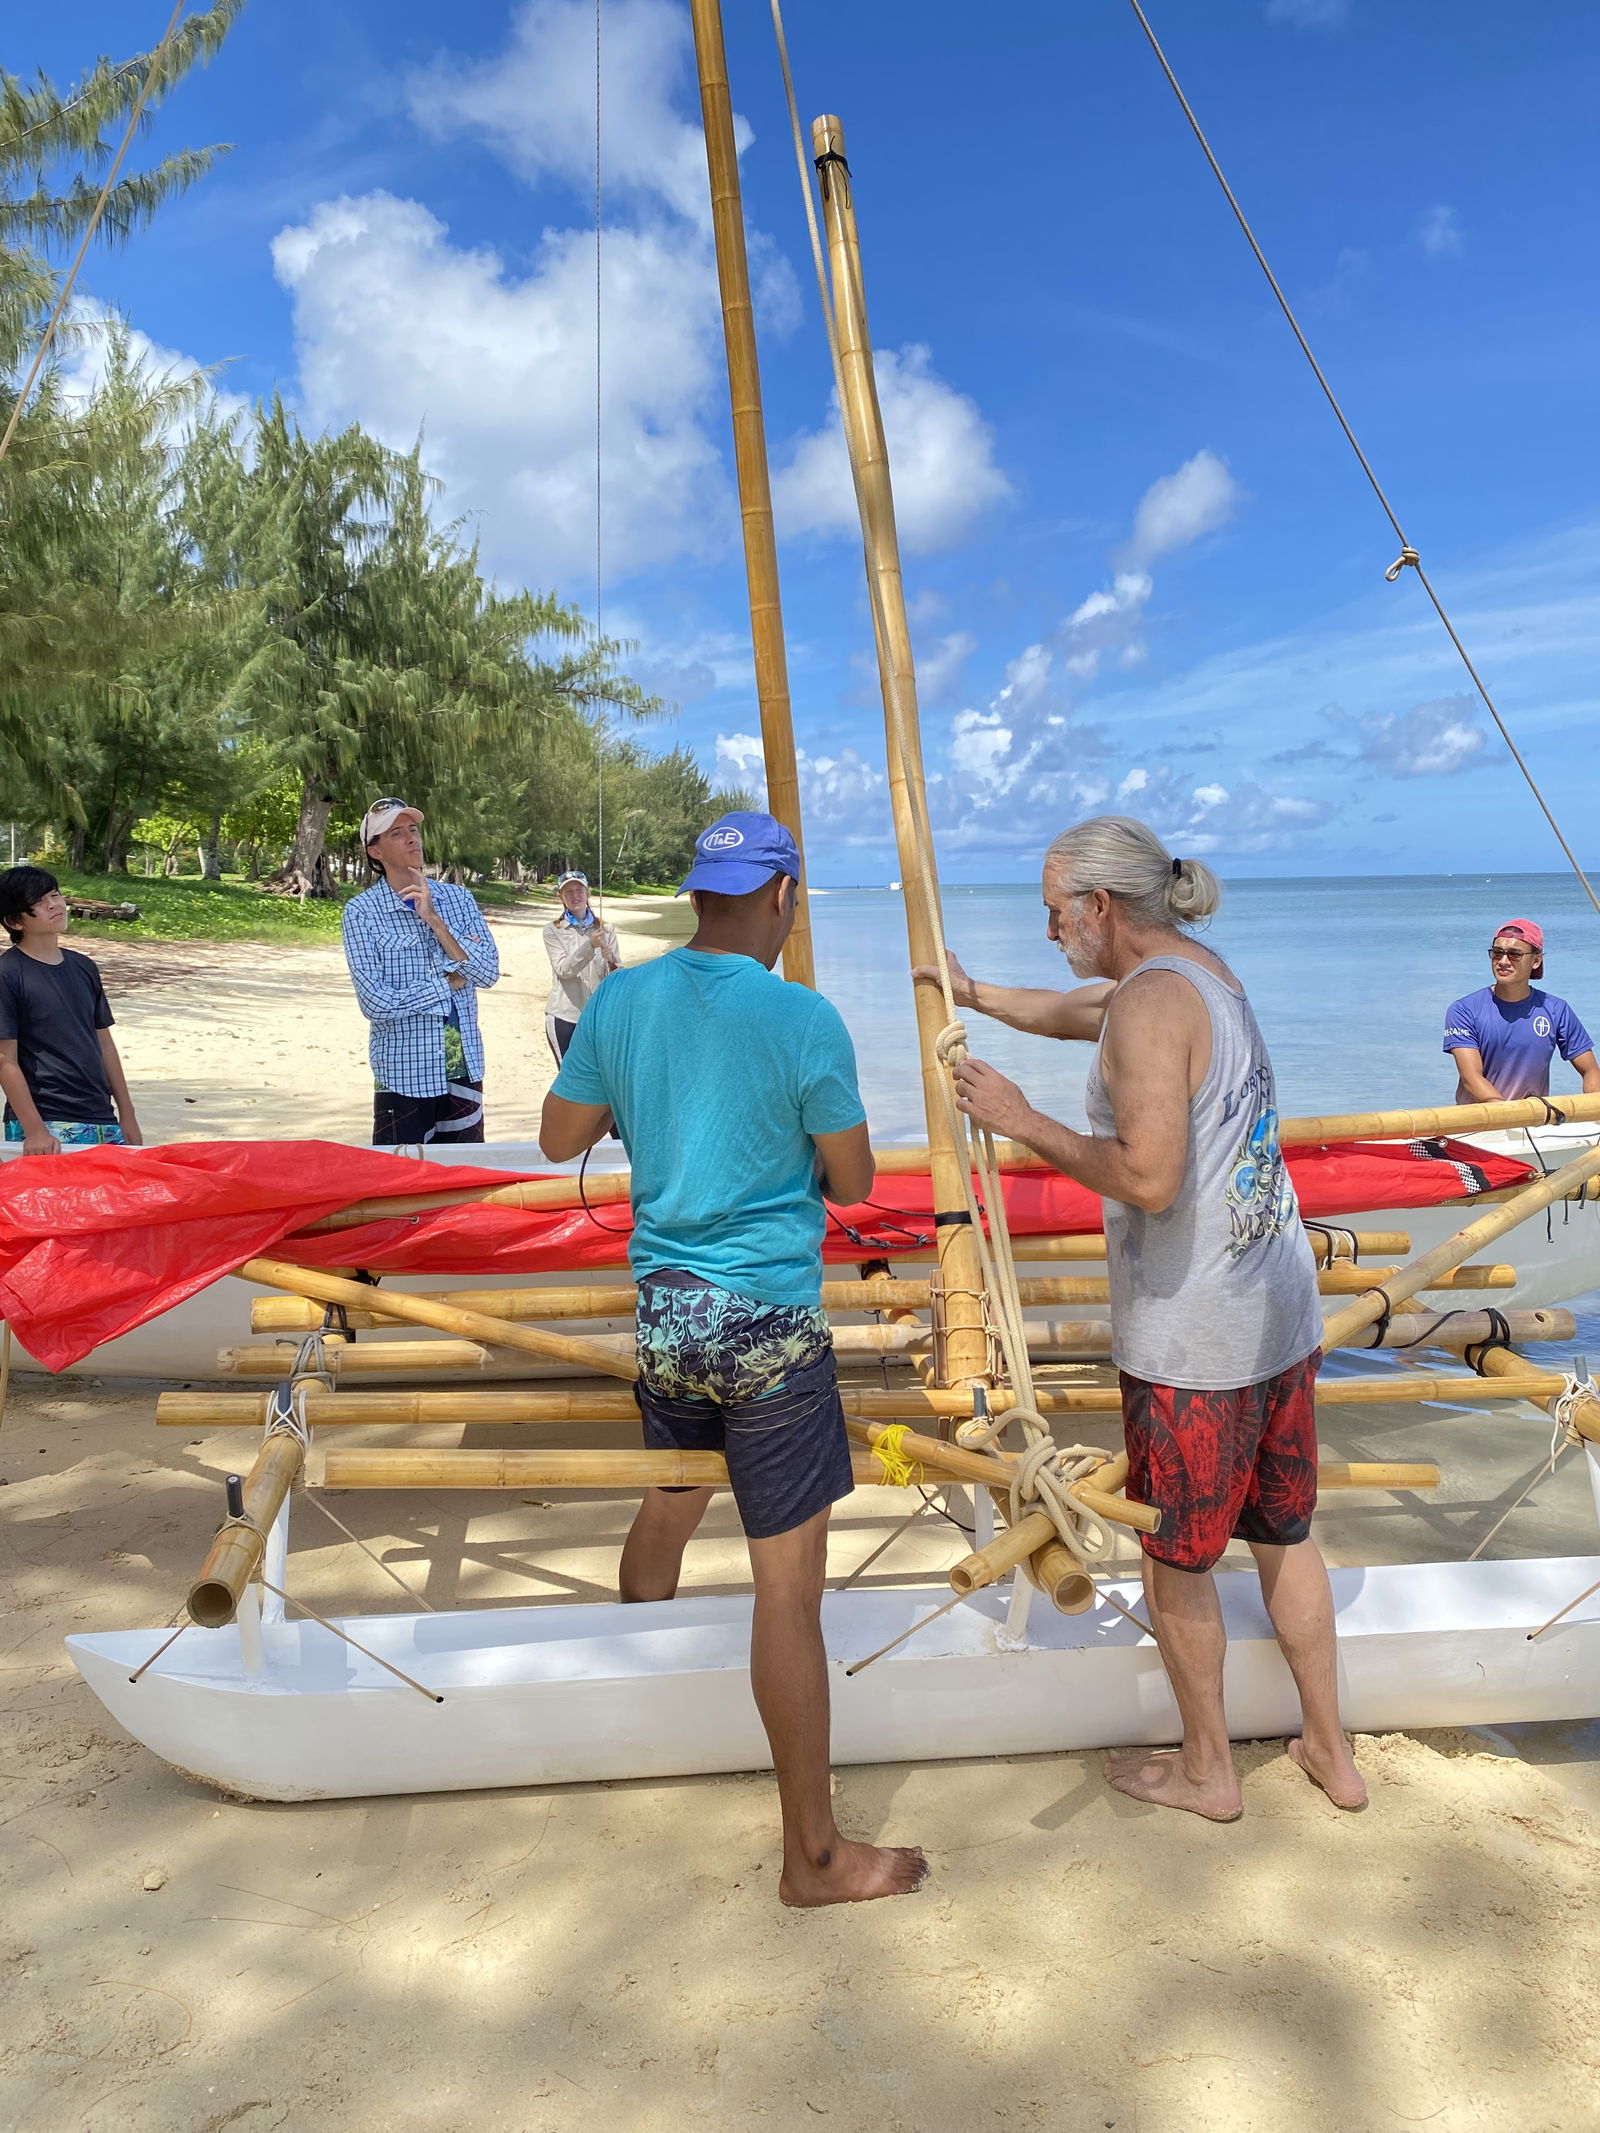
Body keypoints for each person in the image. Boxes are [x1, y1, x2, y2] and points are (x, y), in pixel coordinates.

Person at [921, 814, 1365, 1820]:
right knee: (1287, 1535)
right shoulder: (1198, 974)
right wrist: (977, 994)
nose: (1048, 931)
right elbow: (1085, 1012)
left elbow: (1151, 1180)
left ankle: (1209, 1771)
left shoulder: (1148, 1007)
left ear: (1099, 908)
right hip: (1277, 1311)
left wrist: (1025, 1121)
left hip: (1198, 1340)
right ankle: (1330, 1754)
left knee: (1177, 1561)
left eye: (1052, 912)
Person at [539, 810, 927, 1905]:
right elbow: (850, 1184)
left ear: (699, 893)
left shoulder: (622, 997)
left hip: (668, 1315)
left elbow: (558, 1138)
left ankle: (642, 1694)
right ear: (784, 897)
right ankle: (813, 1856)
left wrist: (643, 1103)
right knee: (786, 1594)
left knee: (670, 1495)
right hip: (765, 1324)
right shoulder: (804, 1017)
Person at [342, 798, 500, 1146]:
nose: (412, 839)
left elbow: (487, 973)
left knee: (464, 1178)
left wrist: (435, 921)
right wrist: (449, 983)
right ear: (375, 851)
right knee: (402, 1184)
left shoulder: (459, 900)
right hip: (402, 1074)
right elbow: (375, 1002)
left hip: (464, 1068)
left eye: (413, 830)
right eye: (397, 834)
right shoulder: (362, 912)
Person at [0, 866, 142, 1153]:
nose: (54, 904)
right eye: (38, 902)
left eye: (54, 894)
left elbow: (105, 1045)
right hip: (46, 1122)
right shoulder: (7, 973)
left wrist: (127, 1114)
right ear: (15, 921)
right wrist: (35, 1130)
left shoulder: (83, 966)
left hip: (101, 1117)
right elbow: (5, 1060)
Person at [1443, 920, 1600, 1103]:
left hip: (1534, 1126)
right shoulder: (1463, 1010)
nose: (1503, 961)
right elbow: (1472, 1079)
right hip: (1480, 1124)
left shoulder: (1557, 1009)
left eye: (1514, 954)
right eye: (1497, 953)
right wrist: (1507, 1116)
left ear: (1536, 960)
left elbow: (1591, 1071)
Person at [542, 869, 619, 1063]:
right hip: (564, 1016)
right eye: (568, 892)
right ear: (561, 896)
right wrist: (590, 945)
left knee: (599, 1078)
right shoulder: (552, 930)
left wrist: (611, 961)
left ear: (588, 893)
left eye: (579, 890)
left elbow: (618, 976)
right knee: (568, 1080)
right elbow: (564, 970)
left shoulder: (606, 929)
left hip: (598, 1018)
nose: (575, 896)